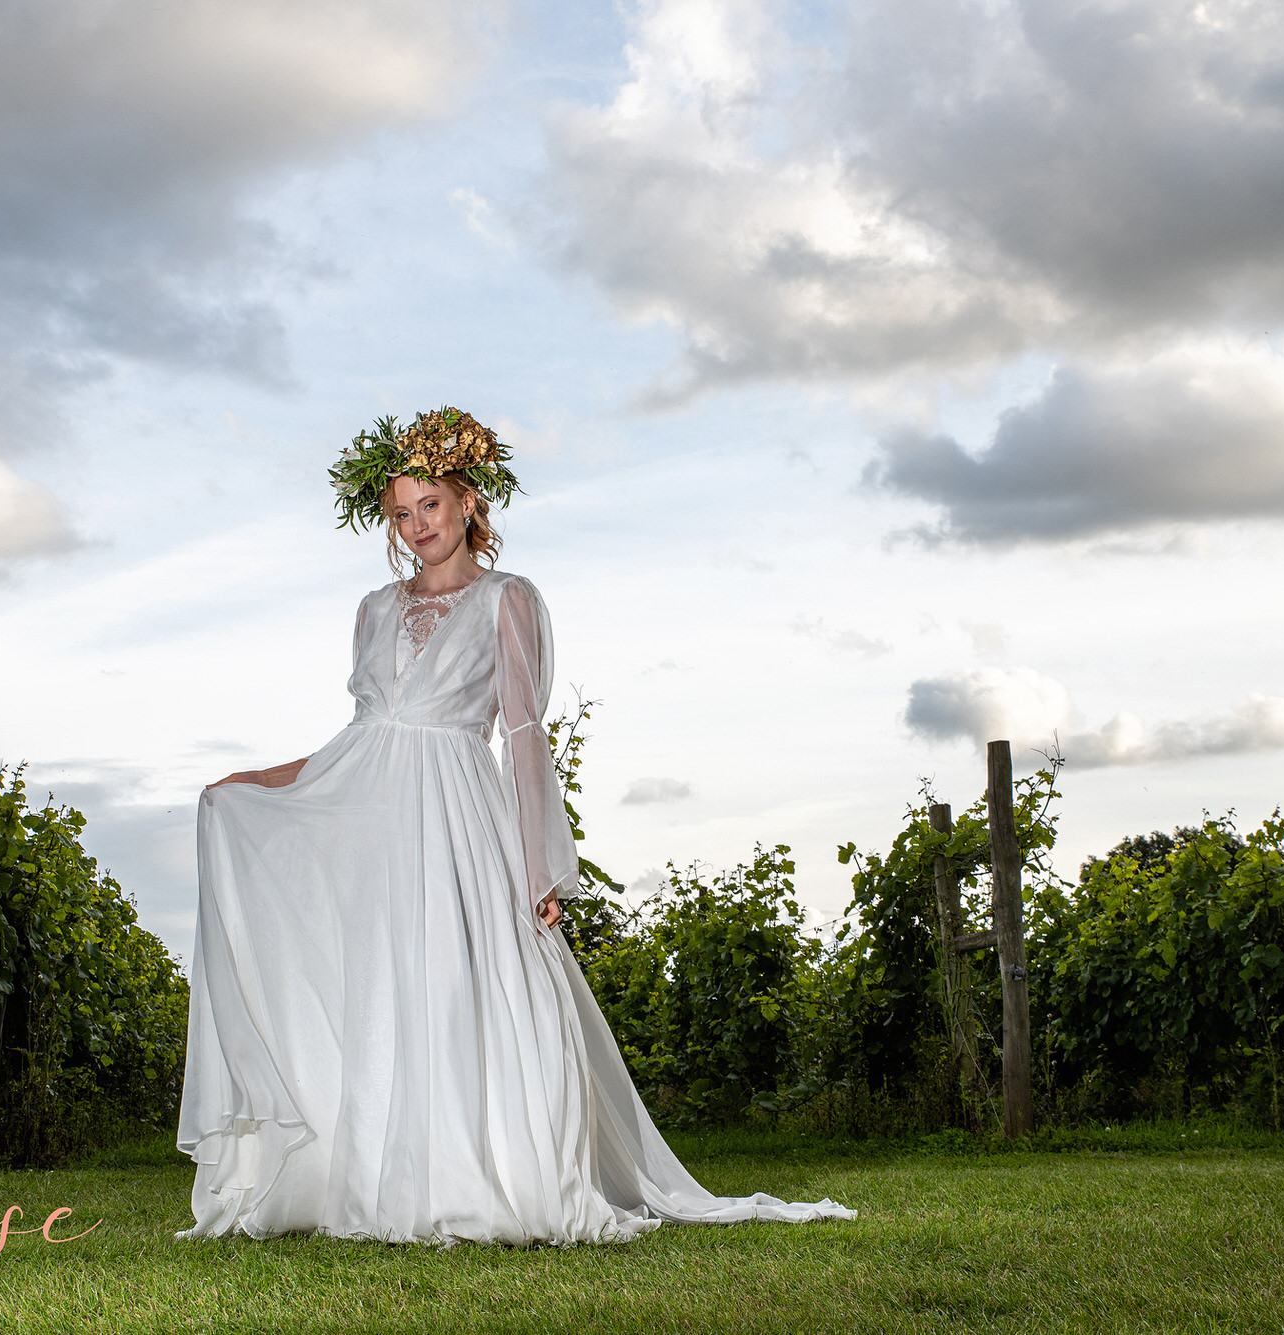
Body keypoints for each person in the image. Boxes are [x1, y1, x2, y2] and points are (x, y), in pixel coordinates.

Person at [177, 407, 853, 1243]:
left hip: (460, 821)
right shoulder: (370, 610)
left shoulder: (508, 599)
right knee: (388, 991)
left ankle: (484, 1172)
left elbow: (525, 735)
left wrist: (541, 866)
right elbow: (358, 740)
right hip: (378, 829)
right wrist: (254, 783)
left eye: (430, 504)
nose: (417, 525)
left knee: (469, 987)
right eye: (400, 513)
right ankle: (383, 1176)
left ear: (466, 501)